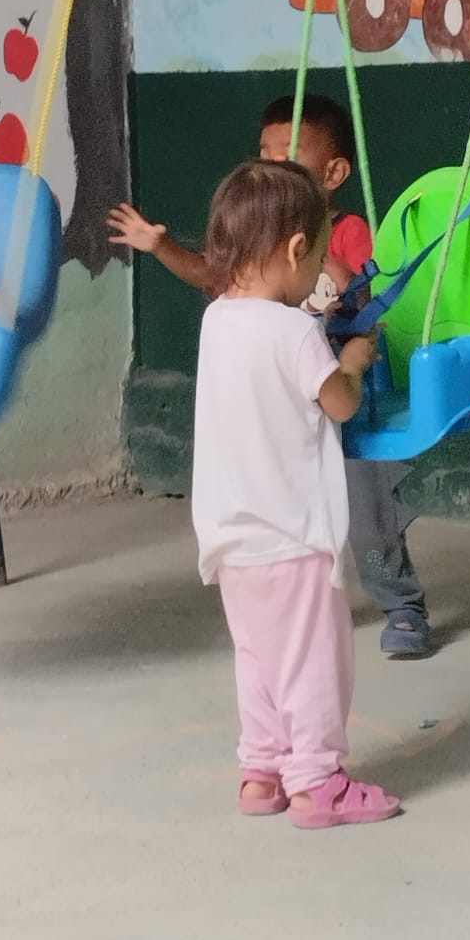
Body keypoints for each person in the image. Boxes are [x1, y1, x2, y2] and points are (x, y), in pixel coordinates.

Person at [107, 91, 431, 658]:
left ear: (333, 173)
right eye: (265, 151)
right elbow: (212, 276)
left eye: (290, 152)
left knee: (369, 511)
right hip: (291, 395)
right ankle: (307, 598)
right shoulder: (257, 248)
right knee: (289, 505)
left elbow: (368, 295)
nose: (274, 163)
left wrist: (334, 272)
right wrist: (162, 247)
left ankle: (401, 602)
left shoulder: (346, 232)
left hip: (344, 382)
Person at [191, 157, 400, 828]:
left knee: (258, 655)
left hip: (230, 537)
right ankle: (317, 784)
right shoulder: (294, 332)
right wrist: (353, 362)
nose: (317, 279)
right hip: (293, 537)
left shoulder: (216, 321)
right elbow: (339, 403)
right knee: (314, 661)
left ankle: (262, 771)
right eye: (316, 260)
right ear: (296, 249)